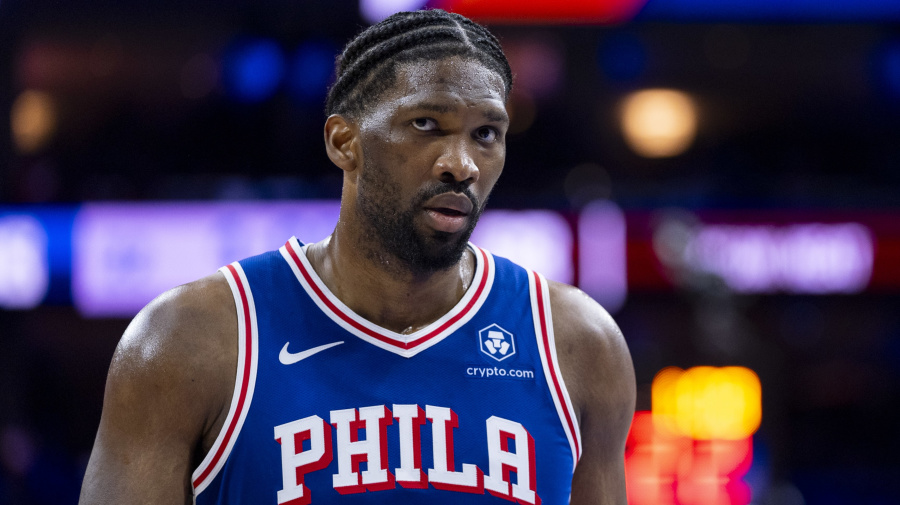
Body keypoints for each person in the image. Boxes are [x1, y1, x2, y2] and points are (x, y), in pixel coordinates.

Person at [78, 9, 635, 505]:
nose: (460, 164)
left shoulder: (578, 343)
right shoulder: (190, 338)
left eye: (486, 133)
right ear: (344, 142)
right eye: (426, 125)